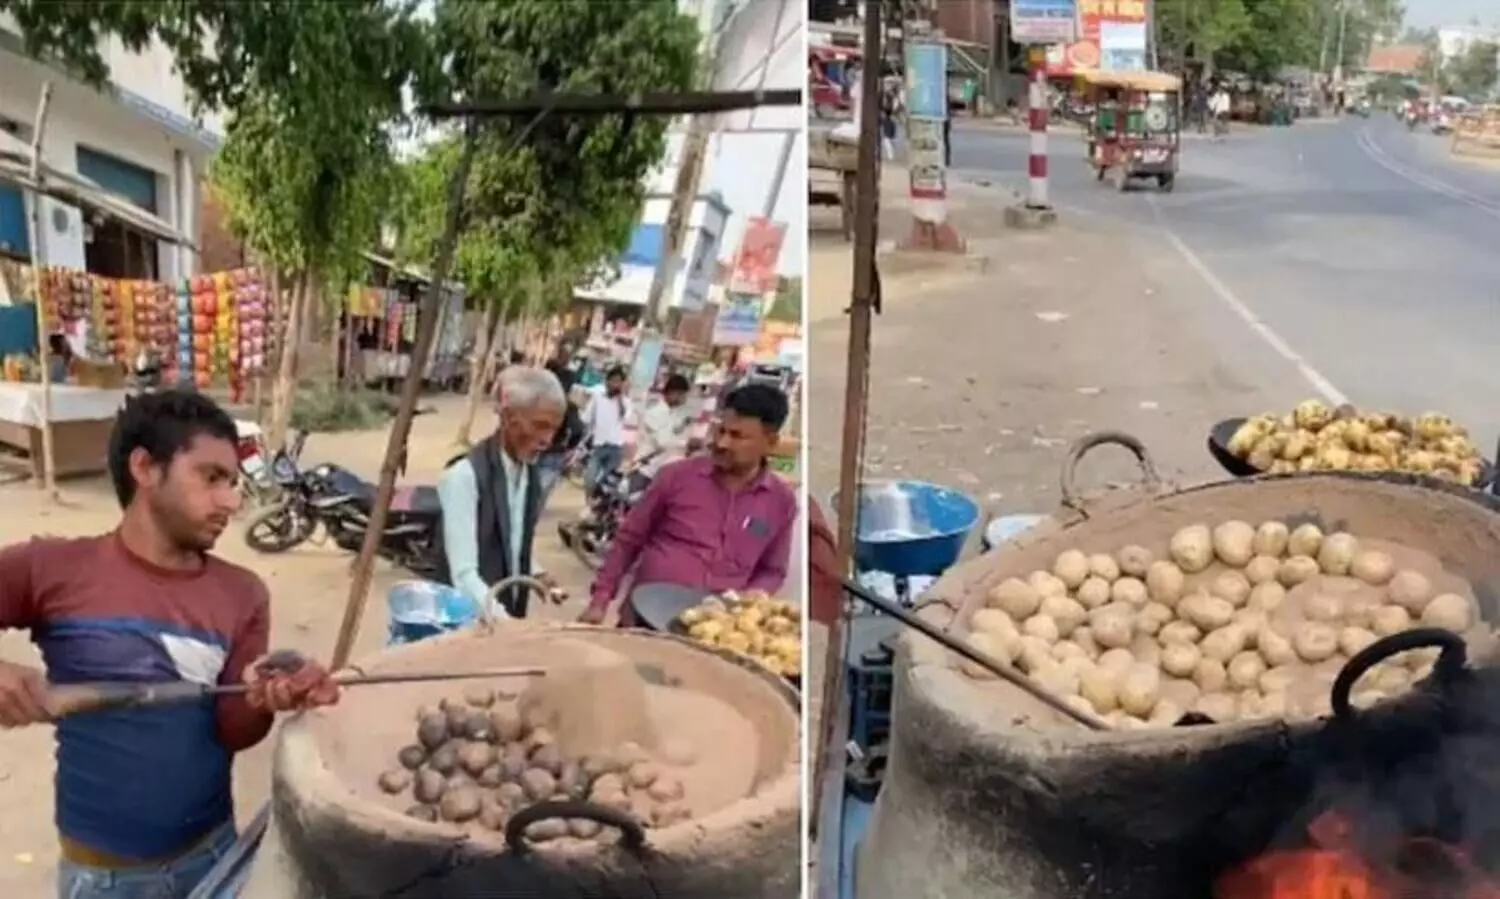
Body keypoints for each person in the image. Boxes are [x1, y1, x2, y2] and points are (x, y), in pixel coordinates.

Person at [0, 389, 339, 899]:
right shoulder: (52, 569)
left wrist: (264, 699)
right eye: (211, 477)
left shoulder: (243, 593)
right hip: (103, 881)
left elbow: (232, 732)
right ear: (145, 467)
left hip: (216, 861)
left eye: (232, 482)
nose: (231, 500)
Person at [580, 383, 797, 627]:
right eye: (721, 430)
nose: (723, 443)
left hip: (713, 635)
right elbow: (628, 541)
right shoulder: (676, 477)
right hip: (643, 621)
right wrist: (599, 601)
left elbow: (773, 570)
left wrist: (749, 600)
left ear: (770, 443)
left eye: (737, 436)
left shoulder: (781, 501)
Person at [436, 366, 566, 619]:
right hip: (467, 626)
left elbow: (512, 540)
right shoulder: (463, 477)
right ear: (507, 417)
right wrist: (505, 624)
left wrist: (536, 573)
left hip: (503, 621)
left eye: (553, 429)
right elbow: (463, 576)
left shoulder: (528, 474)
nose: (547, 439)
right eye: (540, 426)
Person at [632, 373, 695, 482]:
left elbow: (675, 433)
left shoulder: (675, 414)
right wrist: (685, 443)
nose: (684, 399)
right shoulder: (655, 413)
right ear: (671, 392)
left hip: (659, 472)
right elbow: (663, 442)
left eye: (684, 395)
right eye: (681, 394)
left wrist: (684, 427)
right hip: (644, 470)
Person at [580, 366, 630, 494]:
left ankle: (596, 507)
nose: (615, 384)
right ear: (607, 381)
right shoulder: (597, 397)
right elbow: (586, 418)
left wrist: (620, 397)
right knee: (589, 479)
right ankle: (590, 500)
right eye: (613, 381)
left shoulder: (625, 401)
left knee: (607, 483)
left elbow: (624, 415)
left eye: (619, 382)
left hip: (616, 447)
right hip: (599, 445)